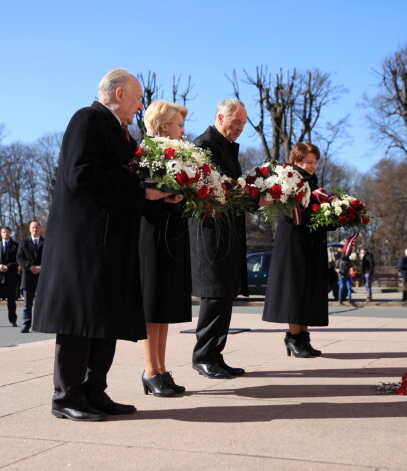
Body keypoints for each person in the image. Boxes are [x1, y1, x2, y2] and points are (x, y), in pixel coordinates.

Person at [32, 68, 172, 422]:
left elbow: (126, 185)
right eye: (138, 97)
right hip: (85, 242)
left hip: (110, 244)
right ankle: (66, 396)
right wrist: (142, 191)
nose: (141, 105)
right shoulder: (87, 119)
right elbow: (82, 174)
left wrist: (160, 194)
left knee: (104, 319)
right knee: (80, 321)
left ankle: (95, 391)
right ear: (120, 93)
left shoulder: (122, 134)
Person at [189, 99, 252, 379]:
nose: (239, 128)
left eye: (243, 124)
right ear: (219, 117)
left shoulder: (227, 147)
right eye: (235, 121)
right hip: (210, 233)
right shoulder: (204, 145)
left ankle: (215, 353)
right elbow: (199, 189)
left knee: (225, 294)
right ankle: (203, 356)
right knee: (214, 295)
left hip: (228, 232)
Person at [139, 100, 191, 397]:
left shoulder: (179, 154)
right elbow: (144, 194)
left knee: (165, 307)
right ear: (162, 127)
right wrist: (170, 195)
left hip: (172, 230)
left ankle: (160, 368)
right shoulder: (147, 154)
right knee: (151, 305)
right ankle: (149, 370)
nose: (183, 131)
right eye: (179, 125)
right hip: (151, 233)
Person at [262, 142, 330, 358]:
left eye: (315, 162)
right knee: (295, 288)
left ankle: (303, 338)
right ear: (296, 161)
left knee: (308, 288)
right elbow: (287, 209)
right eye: (309, 162)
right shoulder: (288, 177)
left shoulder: (312, 181)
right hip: (293, 238)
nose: (313, 166)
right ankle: (293, 337)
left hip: (310, 237)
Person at [16, 221, 44, 333]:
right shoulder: (23, 242)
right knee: (27, 304)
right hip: (28, 276)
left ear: (40, 228)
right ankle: (26, 324)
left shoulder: (46, 242)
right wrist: (30, 266)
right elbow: (19, 257)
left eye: (37, 227)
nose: (35, 229)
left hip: (42, 276)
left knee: (41, 302)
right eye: (33, 227)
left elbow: (49, 256)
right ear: (29, 229)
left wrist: (41, 267)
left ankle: (40, 324)